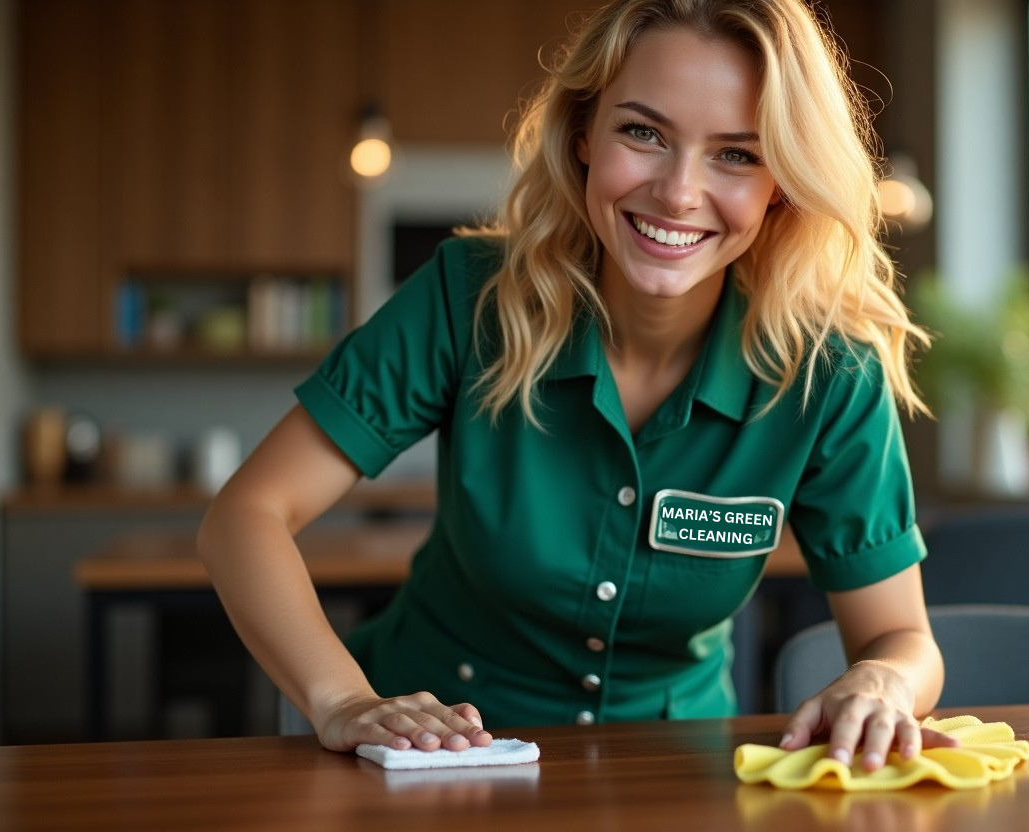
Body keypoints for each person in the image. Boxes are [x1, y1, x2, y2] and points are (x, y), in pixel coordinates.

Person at [198, 0, 954, 773]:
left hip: (676, 776)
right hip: (429, 762)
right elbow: (246, 516)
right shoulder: (468, 299)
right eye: (644, 133)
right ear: (584, 133)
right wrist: (342, 700)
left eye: (736, 154)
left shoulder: (831, 373)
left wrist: (884, 680)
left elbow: (901, 639)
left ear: (781, 184)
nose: (679, 192)